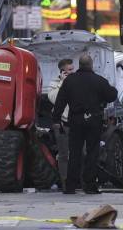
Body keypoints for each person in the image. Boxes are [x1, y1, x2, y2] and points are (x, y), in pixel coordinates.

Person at [52, 54, 118, 194]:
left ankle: (70, 186)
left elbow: (60, 101)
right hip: (94, 121)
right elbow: (112, 95)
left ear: (79, 65)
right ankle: (89, 185)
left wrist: (56, 119)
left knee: (74, 153)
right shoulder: (99, 80)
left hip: (75, 121)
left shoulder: (69, 81)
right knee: (92, 152)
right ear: (91, 65)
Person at [48, 59, 74, 191]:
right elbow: (53, 99)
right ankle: (65, 182)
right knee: (64, 154)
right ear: (62, 72)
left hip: (76, 123)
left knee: (80, 152)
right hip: (62, 123)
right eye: (68, 70)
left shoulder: (77, 81)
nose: (71, 72)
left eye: (72, 69)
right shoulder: (55, 83)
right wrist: (63, 83)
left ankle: (77, 181)